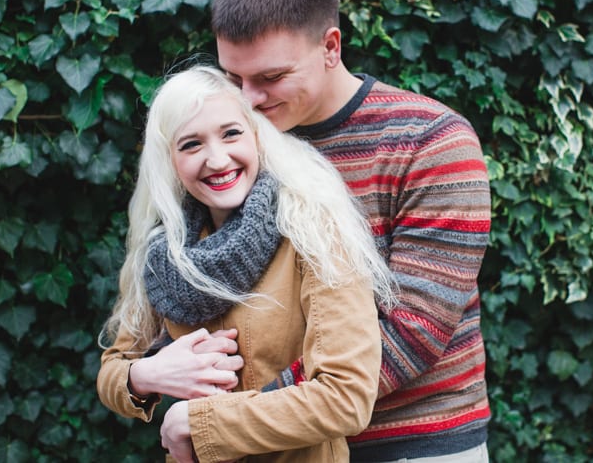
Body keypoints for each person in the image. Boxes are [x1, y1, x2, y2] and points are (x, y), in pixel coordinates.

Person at [209, 0, 492, 463]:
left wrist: (243, 414)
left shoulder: (430, 141)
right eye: (233, 79)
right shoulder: (237, 147)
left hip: (408, 444)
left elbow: (416, 330)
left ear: (331, 46)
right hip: (278, 445)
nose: (248, 99)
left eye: (270, 77)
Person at [96, 64, 397, 462]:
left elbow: (346, 398)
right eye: (191, 145)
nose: (217, 160)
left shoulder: (315, 231)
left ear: (257, 137)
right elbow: (113, 369)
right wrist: (146, 375)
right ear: (169, 161)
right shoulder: (164, 255)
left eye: (231, 134)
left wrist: (198, 422)